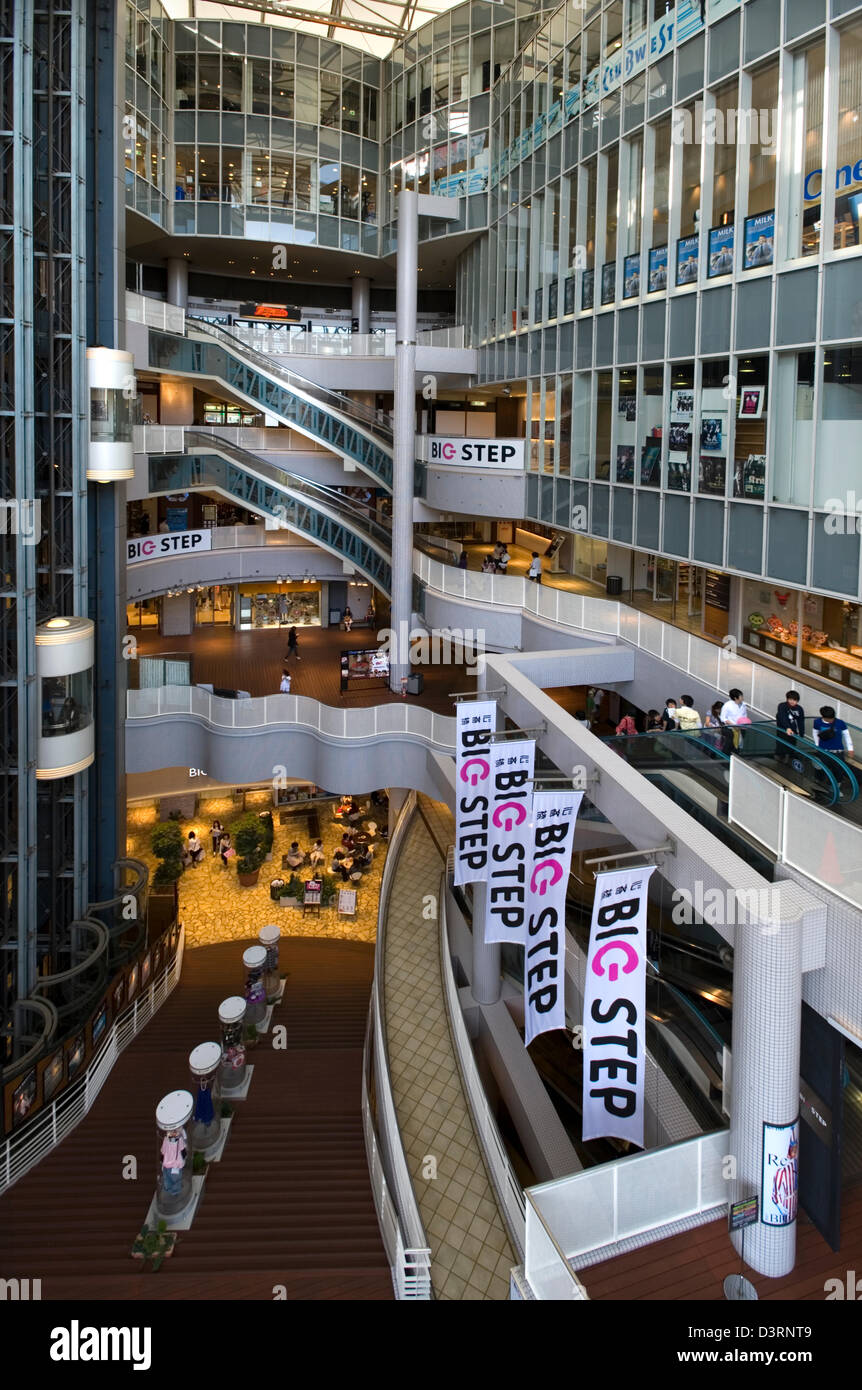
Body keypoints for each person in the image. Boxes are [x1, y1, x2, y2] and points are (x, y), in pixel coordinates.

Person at [776, 690, 805, 762]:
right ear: (787, 699)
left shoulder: (799, 709)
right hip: (782, 729)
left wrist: (802, 733)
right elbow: (783, 717)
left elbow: (801, 721)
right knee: (781, 744)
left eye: (795, 700)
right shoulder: (782, 706)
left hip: (793, 730)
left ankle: (789, 758)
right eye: (790, 699)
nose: (792, 701)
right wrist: (787, 728)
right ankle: (781, 757)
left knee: (792, 744)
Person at [719, 688, 749, 754]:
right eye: (741, 696)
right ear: (735, 698)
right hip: (730, 729)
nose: (742, 698)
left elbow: (744, 716)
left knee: (738, 746)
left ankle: (735, 760)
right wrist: (733, 725)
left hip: (741, 729)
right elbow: (723, 718)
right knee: (729, 745)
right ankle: (724, 761)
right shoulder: (727, 705)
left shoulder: (743, 705)